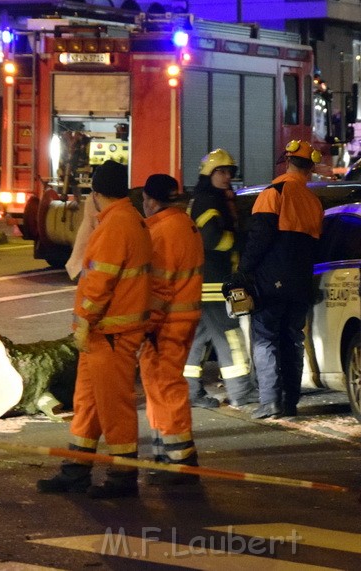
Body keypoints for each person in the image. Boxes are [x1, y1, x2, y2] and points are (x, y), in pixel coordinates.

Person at [36, 160, 152, 499]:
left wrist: (85, 321)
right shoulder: (128, 220)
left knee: (114, 406)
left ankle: (123, 477)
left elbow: (100, 282)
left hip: (110, 333)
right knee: (87, 402)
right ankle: (75, 469)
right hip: (103, 335)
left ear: (97, 194)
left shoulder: (115, 225)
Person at [238, 140, 324, 420]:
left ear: (287, 161)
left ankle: (270, 402)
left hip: (270, 281)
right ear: (310, 168)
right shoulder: (313, 202)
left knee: (265, 340)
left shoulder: (273, 193)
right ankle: (290, 402)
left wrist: (244, 271)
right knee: (293, 340)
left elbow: (259, 238)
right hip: (300, 282)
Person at [138, 174, 205, 485]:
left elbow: (160, 287)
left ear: (151, 200)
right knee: (157, 382)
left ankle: (179, 457)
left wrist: (146, 325)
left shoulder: (162, 231)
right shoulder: (184, 224)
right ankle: (165, 451)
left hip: (166, 323)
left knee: (166, 384)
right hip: (180, 318)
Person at [185, 149, 258, 409]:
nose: (227, 177)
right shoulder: (209, 201)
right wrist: (241, 241)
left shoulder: (207, 198)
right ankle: (241, 391)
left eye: (229, 172)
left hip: (205, 282)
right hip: (217, 283)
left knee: (199, 339)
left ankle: (190, 391)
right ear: (209, 174)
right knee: (231, 337)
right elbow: (212, 239)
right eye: (221, 172)